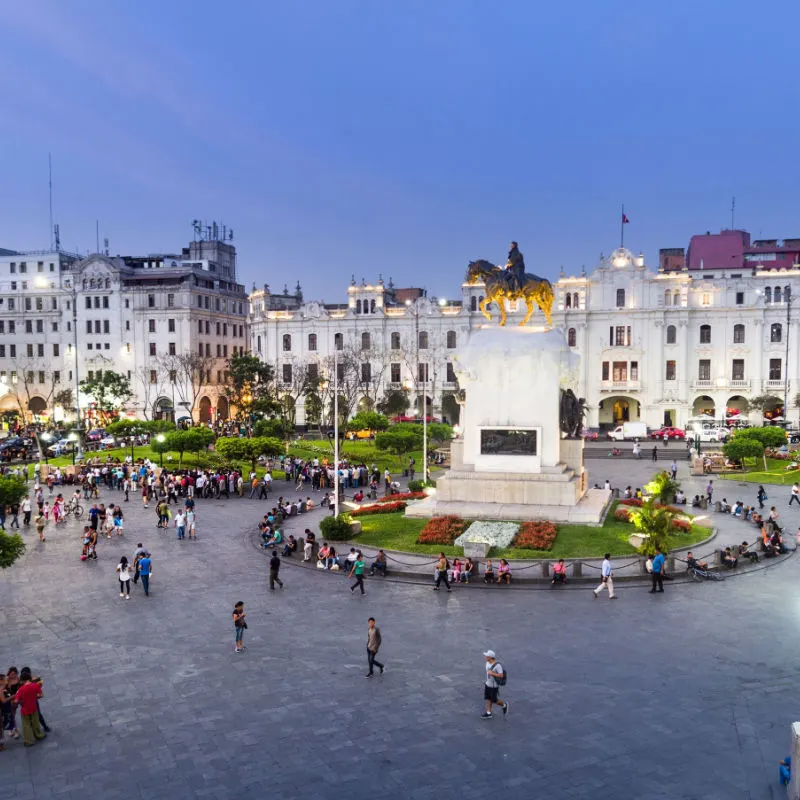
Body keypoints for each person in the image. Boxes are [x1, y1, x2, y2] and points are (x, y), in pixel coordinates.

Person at [13, 668, 46, 747]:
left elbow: (16, 701)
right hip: (34, 707)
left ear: (22, 680)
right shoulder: (36, 686)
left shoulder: (21, 690)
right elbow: (41, 695)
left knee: (26, 725)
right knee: (35, 723)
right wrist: (34, 698)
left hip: (25, 710)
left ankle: (29, 741)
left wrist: (22, 701)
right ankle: (38, 735)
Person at [481, 650, 508, 719]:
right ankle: (489, 713)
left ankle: (504, 705)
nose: (485, 656)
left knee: (494, 700)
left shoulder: (498, 665)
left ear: (490, 657)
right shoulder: (487, 662)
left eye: (486, 656)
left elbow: (501, 675)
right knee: (488, 698)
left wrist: (492, 673)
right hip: (488, 683)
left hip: (494, 686)